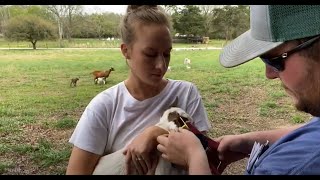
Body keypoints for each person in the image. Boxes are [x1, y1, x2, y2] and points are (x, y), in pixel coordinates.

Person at [157, 5, 320, 175]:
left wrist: (194, 159)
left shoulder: (294, 168)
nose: (269, 74)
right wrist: (247, 141)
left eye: (274, 60)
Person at [66, 5, 211, 175]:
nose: (161, 65)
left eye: (167, 54)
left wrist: (156, 133)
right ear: (126, 51)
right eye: (150, 54)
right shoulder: (104, 106)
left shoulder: (186, 93)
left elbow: (204, 156)